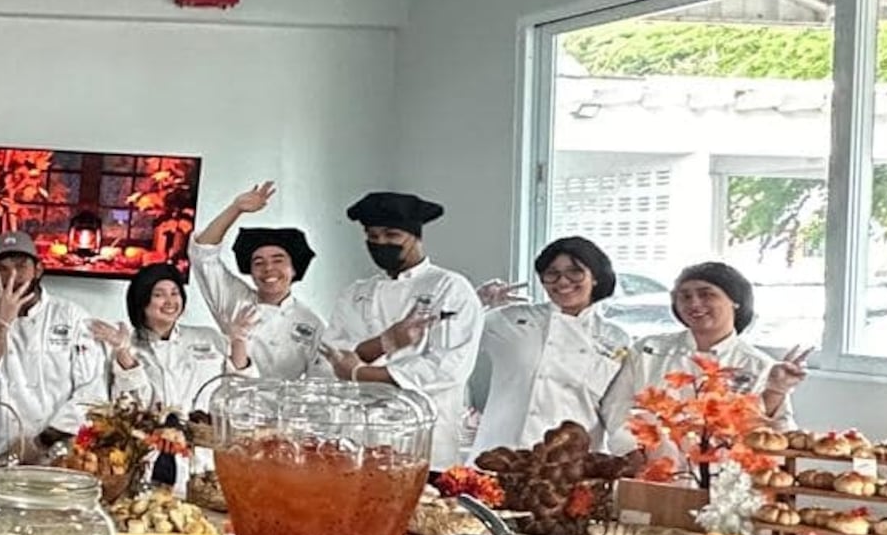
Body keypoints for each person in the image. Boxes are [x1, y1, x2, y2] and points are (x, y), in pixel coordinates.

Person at [321, 192, 485, 469]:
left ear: (416, 237)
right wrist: (385, 343)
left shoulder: (449, 288)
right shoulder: (355, 293)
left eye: (392, 235)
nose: (380, 243)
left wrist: (361, 372)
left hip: (425, 437)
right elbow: (331, 359)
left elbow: (448, 367)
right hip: (360, 436)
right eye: (372, 237)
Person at [599, 261, 809, 451]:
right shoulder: (649, 350)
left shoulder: (759, 365)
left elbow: (777, 437)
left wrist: (776, 391)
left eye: (706, 294)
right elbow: (616, 406)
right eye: (685, 296)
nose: (694, 304)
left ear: (735, 301)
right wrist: (631, 451)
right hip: (652, 475)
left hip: (726, 482)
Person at [472, 236, 637, 455]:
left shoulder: (616, 338)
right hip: (501, 453)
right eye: (552, 273)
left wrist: (629, 453)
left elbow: (617, 408)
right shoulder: (509, 319)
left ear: (595, 277)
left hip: (572, 464)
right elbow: (445, 339)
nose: (563, 281)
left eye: (575, 271)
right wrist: (475, 303)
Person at [0, 234, 104, 460]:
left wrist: (42, 441)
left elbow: (91, 391)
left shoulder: (71, 316)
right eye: (3, 269)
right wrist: (2, 323)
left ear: (38, 269)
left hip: (61, 451)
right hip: (4, 450)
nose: (12, 276)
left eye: (21, 266)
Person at [188, 181, 328, 381]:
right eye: (259, 262)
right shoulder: (235, 301)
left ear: (294, 268)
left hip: (285, 408)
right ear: (251, 271)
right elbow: (202, 253)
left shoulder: (311, 323)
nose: (268, 269)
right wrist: (236, 209)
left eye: (278, 260)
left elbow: (320, 382)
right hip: (234, 402)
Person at [97, 261, 249, 414]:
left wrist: (238, 342)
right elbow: (131, 409)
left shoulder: (208, 337)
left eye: (175, 293)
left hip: (207, 433)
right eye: (158, 295)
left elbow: (238, 387)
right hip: (155, 436)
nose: (170, 302)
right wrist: (124, 355)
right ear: (141, 301)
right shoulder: (125, 345)